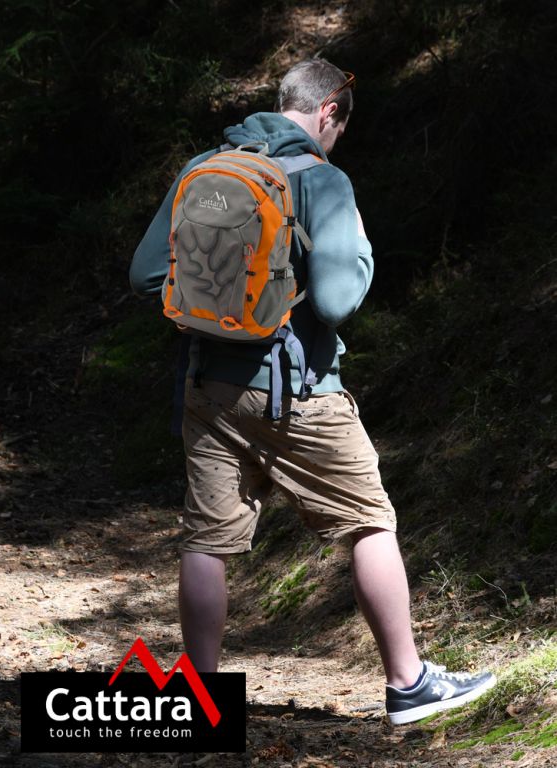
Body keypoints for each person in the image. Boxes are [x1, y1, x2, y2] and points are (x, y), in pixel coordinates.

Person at [129, 58, 496, 725]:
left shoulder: (205, 167)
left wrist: (218, 313)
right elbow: (334, 301)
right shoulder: (322, 180)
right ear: (329, 111)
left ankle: (200, 698)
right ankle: (408, 683)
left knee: (207, 540)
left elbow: (147, 275)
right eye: (340, 128)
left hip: (208, 386)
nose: (337, 140)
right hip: (299, 392)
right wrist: (361, 252)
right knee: (369, 521)